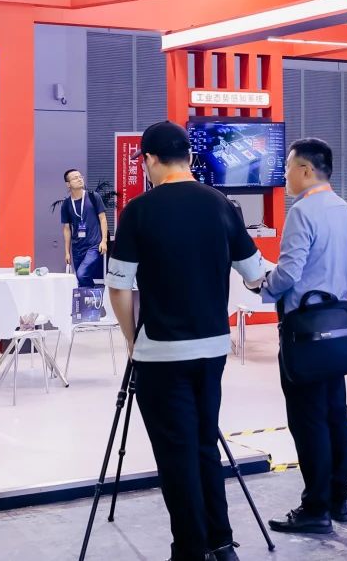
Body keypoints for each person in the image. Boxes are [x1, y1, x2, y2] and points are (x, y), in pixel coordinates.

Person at [106, 120, 263, 561]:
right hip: (213, 347)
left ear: (150, 160)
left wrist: (131, 339)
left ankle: (190, 549)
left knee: (176, 454)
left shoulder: (138, 211)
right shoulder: (221, 204)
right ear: (189, 158)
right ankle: (221, 543)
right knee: (204, 444)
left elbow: (118, 287)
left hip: (159, 350)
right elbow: (254, 274)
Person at [244, 138, 347, 537]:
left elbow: (290, 272)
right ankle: (341, 497)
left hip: (304, 331)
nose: (285, 175)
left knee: (308, 418)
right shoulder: (343, 209)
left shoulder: (302, 211)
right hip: (337, 324)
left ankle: (315, 507)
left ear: (306, 170)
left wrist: (263, 285)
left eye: (289, 167)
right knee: (335, 411)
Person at [60, 168, 109, 287]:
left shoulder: (93, 196)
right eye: (75, 178)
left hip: (94, 245)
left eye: (80, 177)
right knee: (82, 279)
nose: (79, 179)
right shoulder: (66, 204)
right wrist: (67, 252)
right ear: (68, 184)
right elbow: (66, 228)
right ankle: (91, 297)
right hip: (77, 248)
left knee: (81, 274)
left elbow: (103, 218)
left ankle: (92, 295)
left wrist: (104, 241)